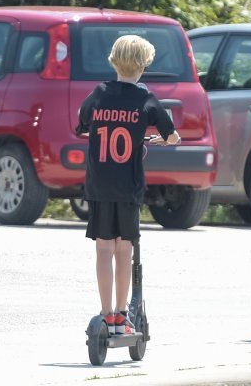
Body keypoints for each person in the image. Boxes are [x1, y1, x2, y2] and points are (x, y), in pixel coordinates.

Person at [77, 35, 181, 334]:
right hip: (128, 185)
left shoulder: (98, 94)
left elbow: (82, 125)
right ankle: (121, 316)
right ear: (143, 66)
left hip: (98, 183)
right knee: (124, 250)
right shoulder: (144, 99)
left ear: (113, 61)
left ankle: (105, 312)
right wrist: (160, 138)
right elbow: (172, 135)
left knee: (102, 249)